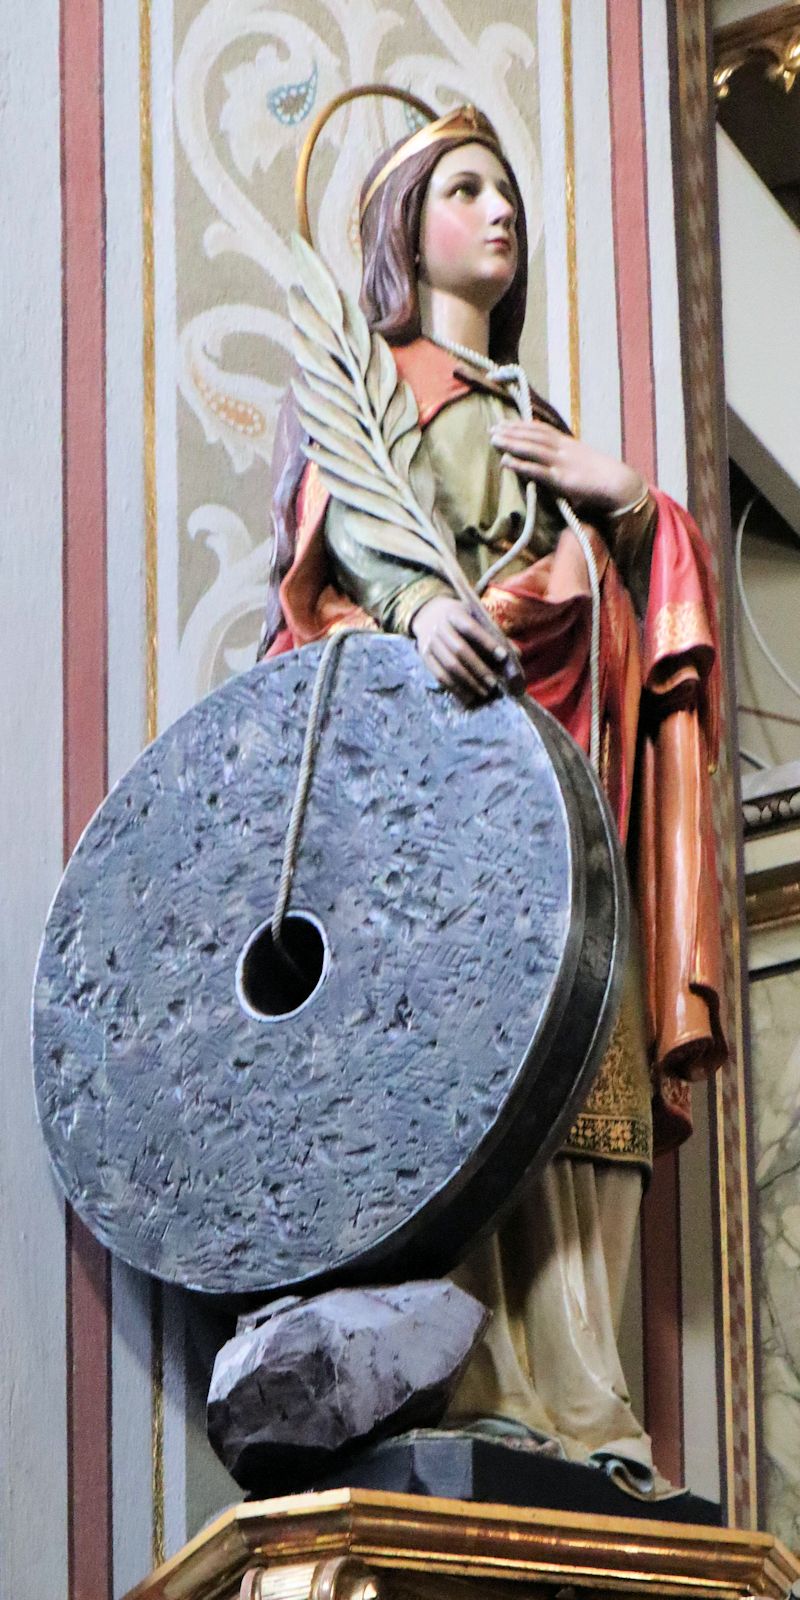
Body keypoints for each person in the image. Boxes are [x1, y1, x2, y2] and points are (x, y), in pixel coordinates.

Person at [258, 102, 728, 1496]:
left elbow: (637, 604)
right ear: (412, 228)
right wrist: (414, 611)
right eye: (467, 189)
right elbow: (344, 549)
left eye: (507, 191)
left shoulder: (540, 418)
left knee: (590, 1075)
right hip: (451, 791)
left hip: (571, 786)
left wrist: (632, 502)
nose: (500, 211)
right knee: (465, 1065)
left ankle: (588, 1400)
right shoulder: (376, 384)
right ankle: (476, 1380)